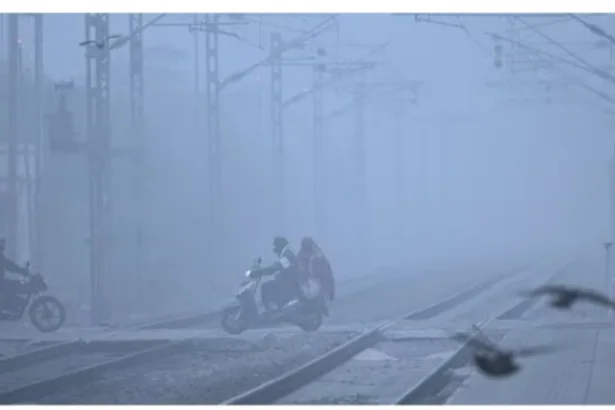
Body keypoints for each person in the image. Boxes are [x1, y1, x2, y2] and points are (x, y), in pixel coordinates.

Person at [249, 236, 302, 314]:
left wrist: (259, 272)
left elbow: (274, 268)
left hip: (289, 283)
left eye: (276, 248)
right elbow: (277, 266)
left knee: (265, 287)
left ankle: (270, 312)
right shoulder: (287, 253)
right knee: (271, 284)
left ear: (280, 247)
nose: (275, 251)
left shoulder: (287, 255)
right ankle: (274, 308)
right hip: (288, 281)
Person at [297, 237, 335, 302]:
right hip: (316, 285)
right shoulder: (317, 253)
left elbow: (301, 272)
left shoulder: (303, 255)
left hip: (315, 286)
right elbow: (328, 271)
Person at [0, 238, 30, 310]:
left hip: (2, 281)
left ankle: (13, 306)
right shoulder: (1, 258)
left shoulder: (1, 257)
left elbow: (10, 265)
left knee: (13, 285)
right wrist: (23, 271)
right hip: (1, 283)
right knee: (14, 286)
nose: (2, 248)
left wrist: (22, 270)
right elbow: (11, 266)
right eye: (1, 246)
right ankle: (12, 307)